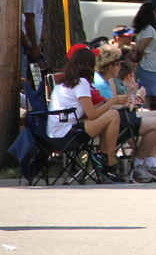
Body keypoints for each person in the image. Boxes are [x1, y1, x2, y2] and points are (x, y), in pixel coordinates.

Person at [93, 44, 156, 183]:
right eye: (118, 64)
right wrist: (131, 100)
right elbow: (108, 108)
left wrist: (131, 98)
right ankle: (138, 164)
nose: (120, 67)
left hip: (119, 116)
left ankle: (150, 162)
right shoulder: (100, 83)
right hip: (115, 121)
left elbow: (116, 103)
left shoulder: (108, 80)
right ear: (109, 66)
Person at [48, 47, 125, 183]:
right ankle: (109, 163)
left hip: (56, 133)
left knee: (109, 114)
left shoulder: (64, 81)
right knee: (113, 115)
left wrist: (107, 102)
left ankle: (104, 157)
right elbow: (92, 114)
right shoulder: (81, 82)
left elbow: (89, 110)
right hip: (67, 134)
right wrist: (113, 101)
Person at [21, 0, 58, 77]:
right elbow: (29, 20)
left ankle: (37, 91)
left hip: (33, 43)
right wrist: (33, 44)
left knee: (39, 73)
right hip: (27, 44)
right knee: (31, 76)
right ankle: (28, 92)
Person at [130, 2, 156, 111]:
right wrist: (135, 59)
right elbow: (141, 48)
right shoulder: (149, 29)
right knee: (153, 96)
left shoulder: (143, 29)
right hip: (149, 67)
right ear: (152, 13)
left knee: (152, 94)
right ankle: (155, 118)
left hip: (150, 66)